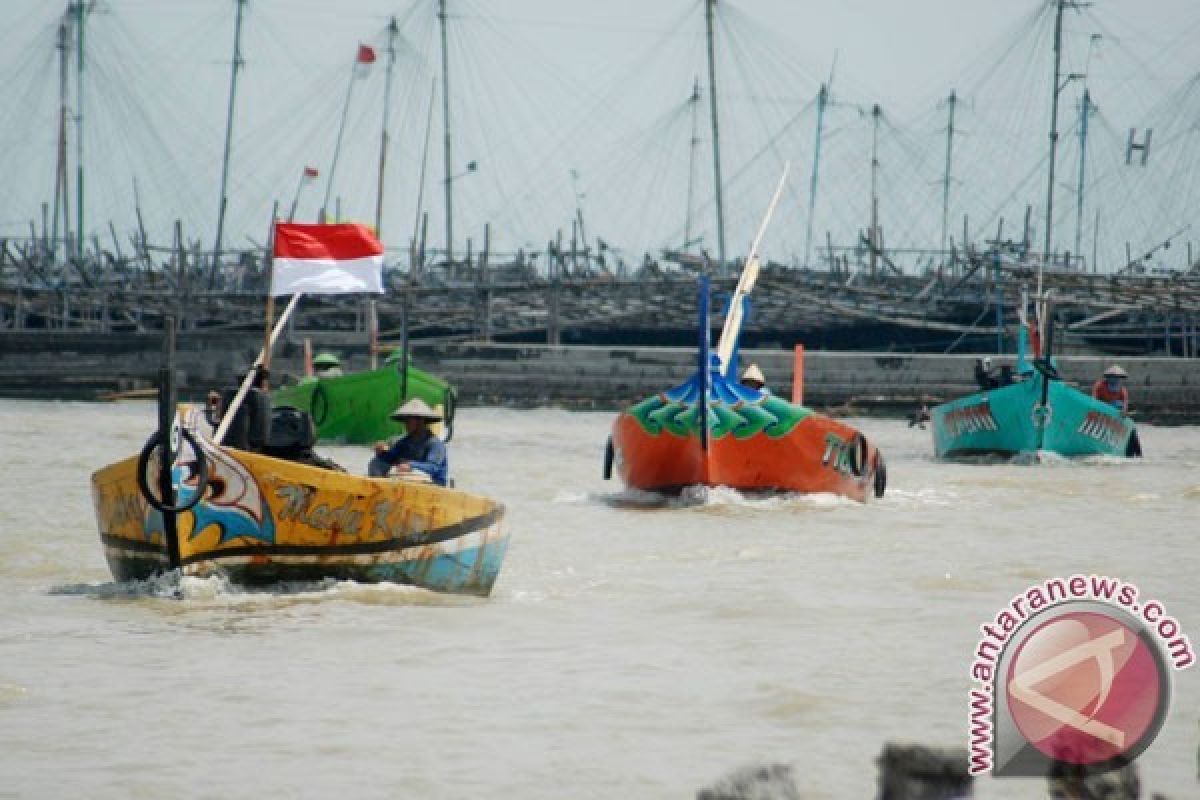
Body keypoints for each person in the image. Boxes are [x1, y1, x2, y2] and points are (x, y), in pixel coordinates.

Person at [368, 398, 449, 485]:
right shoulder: (403, 442)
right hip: (407, 481)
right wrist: (381, 452)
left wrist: (411, 465)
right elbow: (392, 458)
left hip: (433, 484)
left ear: (420, 420)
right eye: (405, 420)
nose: (406, 423)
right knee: (376, 462)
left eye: (408, 420)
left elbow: (433, 467)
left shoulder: (435, 444)